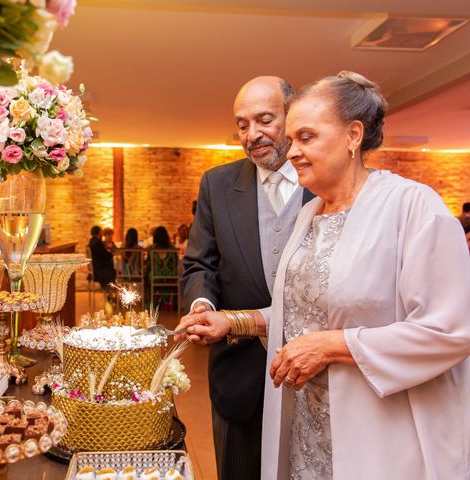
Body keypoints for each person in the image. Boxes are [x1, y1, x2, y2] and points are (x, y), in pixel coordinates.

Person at [177, 71, 470, 479]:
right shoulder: (310, 216)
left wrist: (335, 346)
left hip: (381, 428)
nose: (291, 152)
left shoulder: (412, 207)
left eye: (306, 137)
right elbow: (297, 312)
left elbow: (450, 332)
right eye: (292, 139)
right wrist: (232, 320)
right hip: (308, 424)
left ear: (353, 135)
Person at [179, 76, 314, 480]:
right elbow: (200, 264)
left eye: (264, 119)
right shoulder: (216, 184)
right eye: (242, 124)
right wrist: (203, 305)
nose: (251, 134)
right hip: (238, 373)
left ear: (291, 115)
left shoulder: (324, 181)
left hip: (313, 374)